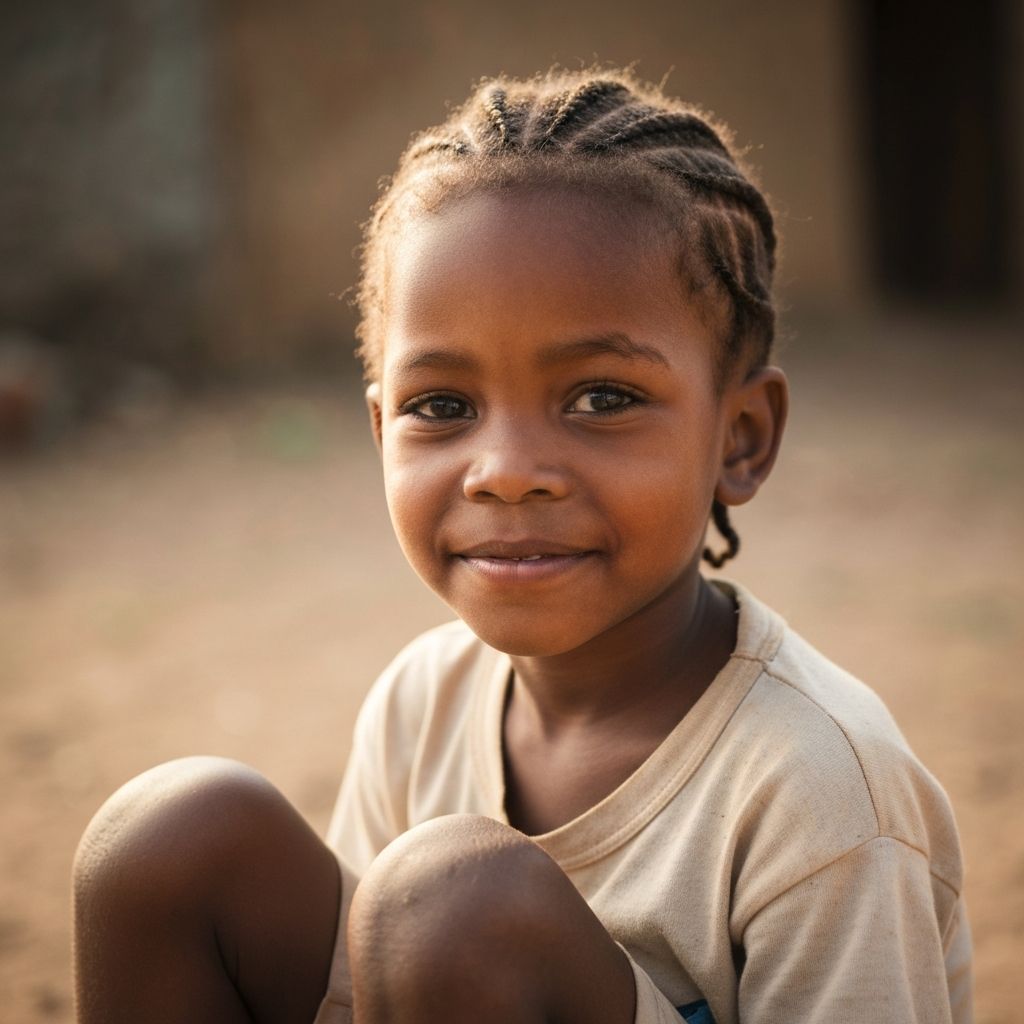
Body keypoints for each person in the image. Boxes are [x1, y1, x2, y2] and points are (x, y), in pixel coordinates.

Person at [72, 68, 973, 1024]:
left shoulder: (819, 787)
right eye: (442, 407)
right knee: (169, 840)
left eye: (602, 398)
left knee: (454, 910)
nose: (504, 471)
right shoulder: (424, 704)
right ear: (382, 433)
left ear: (740, 437)